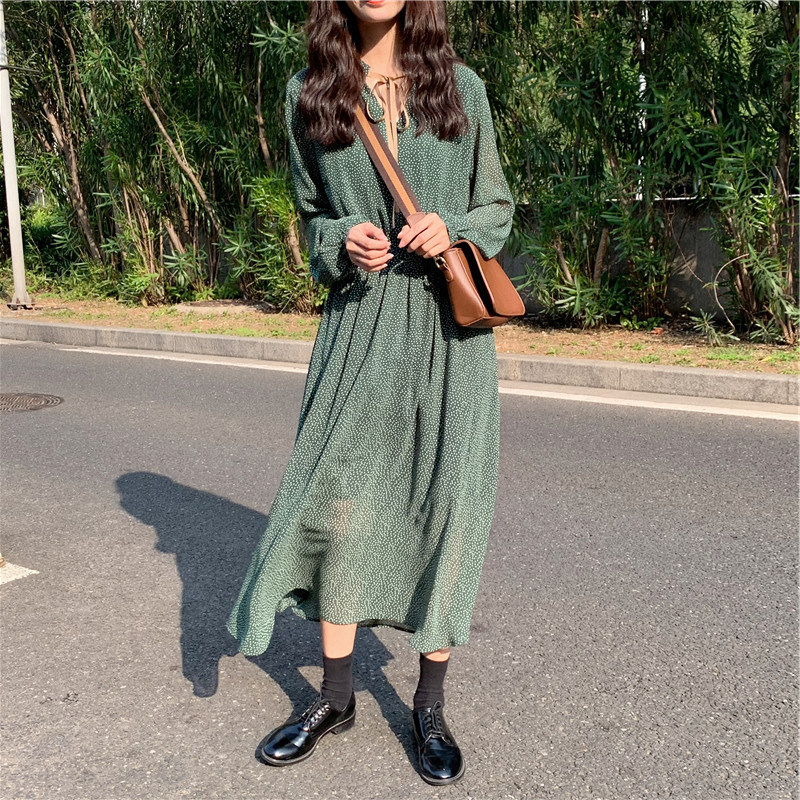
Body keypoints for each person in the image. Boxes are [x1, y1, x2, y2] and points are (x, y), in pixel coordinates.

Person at [225, 0, 514, 786]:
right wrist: (339, 239)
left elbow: (498, 208)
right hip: (358, 324)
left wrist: (452, 226)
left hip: (449, 338)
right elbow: (311, 215)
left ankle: (430, 704)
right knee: (337, 503)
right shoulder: (309, 91)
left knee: (445, 505)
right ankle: (337, 696)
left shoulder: (461, 88)